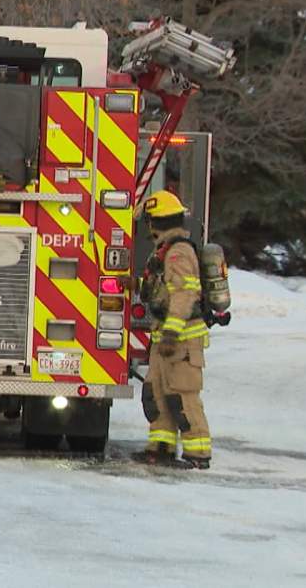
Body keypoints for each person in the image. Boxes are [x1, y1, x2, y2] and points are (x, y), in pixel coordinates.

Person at [135, 190, 212, 469]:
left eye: (150, 221)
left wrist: (171, 332)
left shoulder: (179, 252)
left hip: (179, 340)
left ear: (157, 221)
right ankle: (161, 448)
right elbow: (161, 290)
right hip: (164, 338)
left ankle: (198, 454)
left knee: (182, 396)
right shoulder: (165, 250)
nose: (149, 227)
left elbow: (183, 294)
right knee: (156, 395)